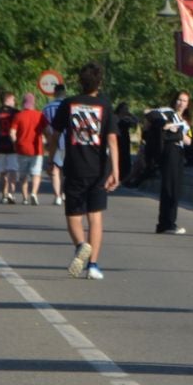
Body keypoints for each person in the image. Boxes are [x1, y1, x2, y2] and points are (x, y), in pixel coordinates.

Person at [51, 63, 120, 280]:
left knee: (73, 215)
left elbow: (55, 134)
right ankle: (93, 265)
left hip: (74, 167)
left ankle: (81, 245)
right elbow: (112, 140)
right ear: (100, 83)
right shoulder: (105, 105)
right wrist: (115, 170)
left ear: (80, 82)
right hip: (99, 169)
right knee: (95, 216)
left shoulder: (68, 104)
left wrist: (51, 159)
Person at [148, 91, 193, 234]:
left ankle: (168, 222)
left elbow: (189, 140)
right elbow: (149, 113)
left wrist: (180, 133)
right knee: (169, 186)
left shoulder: (185, 121)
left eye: (184, 101)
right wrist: (166, 125)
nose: (181, 103)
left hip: (179, 153)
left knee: (175, 188)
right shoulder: (168, 113)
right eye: (179, 99)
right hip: (169, 151)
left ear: (188, 104)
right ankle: (166, 223)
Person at [12, 94, 48, 205]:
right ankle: (34, 193)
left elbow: (12, 133)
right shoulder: (40, 115)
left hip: (21, 149)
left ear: (23, 103)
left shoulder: (18, 116)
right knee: (36, 173)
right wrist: (47, 141)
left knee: (23, 175)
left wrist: (15, 143)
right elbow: (47, 131)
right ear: (34, 103)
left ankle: (25, 198)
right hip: (37, 149)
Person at [0, 91, 19, 204]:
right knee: (13, 170)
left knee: (2, 172)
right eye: (13, 99)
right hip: (13, 145)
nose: (14, 102)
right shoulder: (16, 113)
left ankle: (4, 195)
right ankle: (11, 193)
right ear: (8, 99)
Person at [114, 102, 136, 188]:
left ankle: (125, 178)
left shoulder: (127, 119)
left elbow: (135, 122)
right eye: (124, 108)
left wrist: (131, 115)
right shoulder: (115, 117)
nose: (126, 110)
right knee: (118, 157)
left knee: (126, 157)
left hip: (125, 139)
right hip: (117, 138)